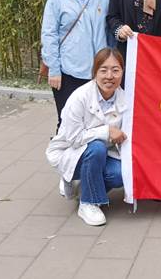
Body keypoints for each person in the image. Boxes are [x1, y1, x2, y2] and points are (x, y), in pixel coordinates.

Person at [46, 48, 128, 227]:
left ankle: (84, 187)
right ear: (95, 72)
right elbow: (74, 138)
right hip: (72, 152)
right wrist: (106, 131)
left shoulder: (125, 99)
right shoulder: (79, 97)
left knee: (121, 174)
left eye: (115, 70)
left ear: (122, 72)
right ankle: (88, 203)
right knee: (97, 147)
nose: (109, 76)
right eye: (104, 70)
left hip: (104, 155)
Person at [41, 0, 110, 131]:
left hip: (96, 74)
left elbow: (108, 35)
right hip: (67, 73)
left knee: (94, 123)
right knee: (66, 123)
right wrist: (54, 70)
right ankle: (63, 151)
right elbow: (49, 35)